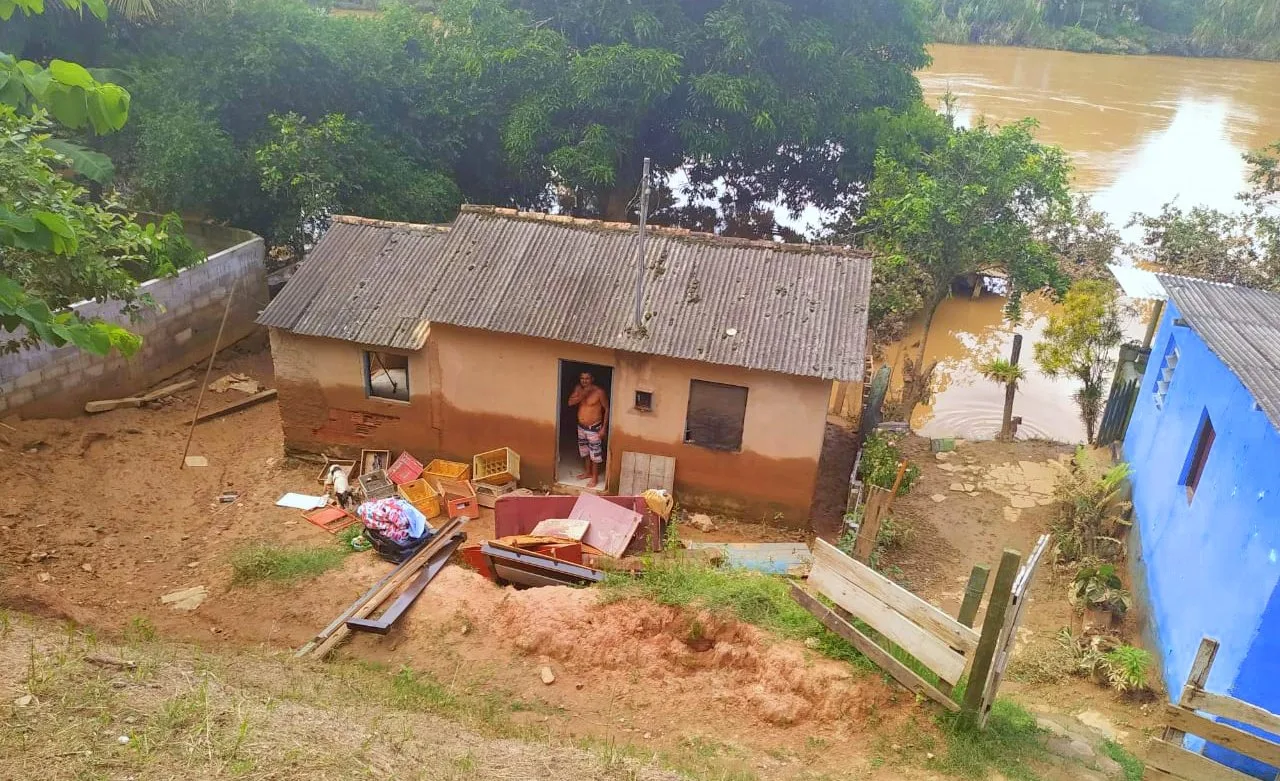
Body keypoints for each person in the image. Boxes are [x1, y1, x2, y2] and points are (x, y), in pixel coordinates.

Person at [567, 371, 608, 488]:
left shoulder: (599, 392)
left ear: (592, 379)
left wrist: (604, 428)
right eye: (582, 378)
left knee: (595, 454)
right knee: (584, 451)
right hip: (581, 427)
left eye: (587, 378)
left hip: (594, 428)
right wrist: (583, 394)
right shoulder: (578, 389)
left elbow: (607, 409)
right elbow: (570, 402)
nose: (584, 381)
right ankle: (587, 472)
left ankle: (594, 478)